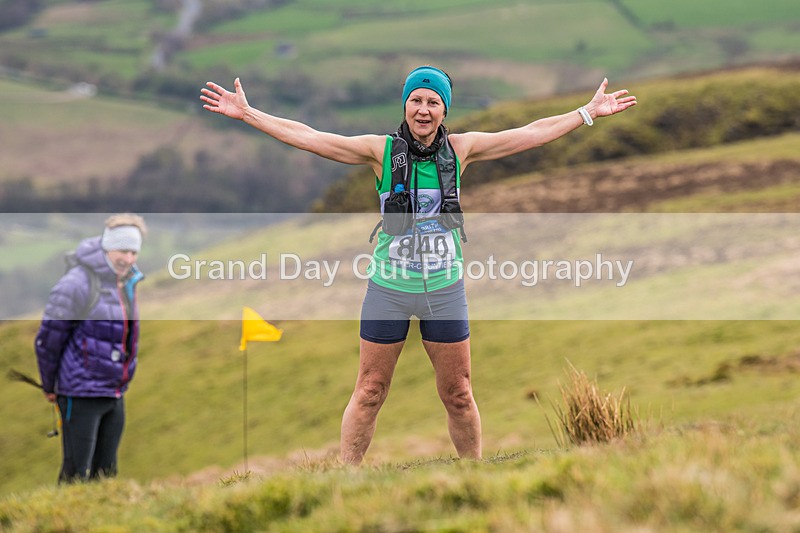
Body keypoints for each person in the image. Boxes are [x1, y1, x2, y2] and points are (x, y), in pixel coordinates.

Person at [200, 66, 636, 464]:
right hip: (388, 288)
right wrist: (250, 114)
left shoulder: (462, 150)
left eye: (432, 102)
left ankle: (473, 475)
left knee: (459, 394)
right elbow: (312, 137)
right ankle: (345, 479)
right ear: (404, 105)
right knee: (370, 391)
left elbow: (531, 132)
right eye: (415, 100)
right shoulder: (380, 151)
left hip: (444, 290)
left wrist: (587, 112)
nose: (422, 110)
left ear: (444, 111)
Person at [35, 213, 146, 482]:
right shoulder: (76, 283)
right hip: (79, 393)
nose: (128, 259)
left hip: (114, 392)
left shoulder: (125, 283)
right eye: (123, 250)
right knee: (75, 473)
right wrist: (50, 386)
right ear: (107, 247)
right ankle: (62, 523)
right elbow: (48, 340)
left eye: (133, 252)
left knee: (107, 474)